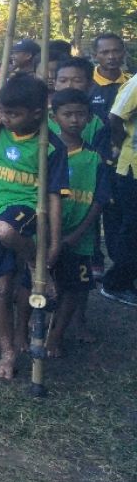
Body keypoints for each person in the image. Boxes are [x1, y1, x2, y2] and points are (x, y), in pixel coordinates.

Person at [0, 73, 67, 379]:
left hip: (25, 214)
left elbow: (55, 196)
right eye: (4, 112)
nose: (7, 119)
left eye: (15, 114)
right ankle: (7, 353)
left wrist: (54, 243)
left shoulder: (50, 145)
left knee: (4, 229)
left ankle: (36, 264)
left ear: (37, 112)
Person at [44, 88, 109, 357]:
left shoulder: (95, 159)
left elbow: (99, 202)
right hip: (45, 235)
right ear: (54, 116)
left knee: (73, 288)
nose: (74, 120)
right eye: (67, 114)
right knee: (37, 283)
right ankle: (29, 332)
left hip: (78, 239)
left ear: (89, 118)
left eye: (80, 114)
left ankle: (57, 335)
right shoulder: (44, 151)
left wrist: (78, 233)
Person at [102, 70, 137, 306]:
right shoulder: (135, 83)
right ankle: (116, 282)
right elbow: (115, 117)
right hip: (133, 167)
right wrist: (117, 145)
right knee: (133, 227)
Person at [88, 32, 128, 122]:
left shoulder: (131, 83)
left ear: (124, 53)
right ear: (95, 56)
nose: (111, 57)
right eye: (105, 52)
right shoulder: (86, 82)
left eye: (116, 51)